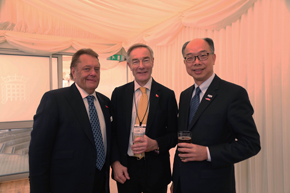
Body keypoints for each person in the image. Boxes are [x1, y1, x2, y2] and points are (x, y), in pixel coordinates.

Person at [171, 38, 261, 193]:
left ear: (213, 58)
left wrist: (207, 153)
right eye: (190, 58)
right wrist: (176, 180)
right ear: (185, 62)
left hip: (214, 185)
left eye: (203, 55)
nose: (196, 62)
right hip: (183, 184)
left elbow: (251, 144)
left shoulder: (233, 94)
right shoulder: (185, 95)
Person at [29, 49, 111, 193]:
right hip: (67, 186)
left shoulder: (105, 103)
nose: (93, 73)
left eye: (96, 69)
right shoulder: (55, 100)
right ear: (74, 72)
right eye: (87, 69)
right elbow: (38, 153)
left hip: (100, 184)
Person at [111, 43, 178, 193]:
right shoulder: (118, 94)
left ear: (153, 62)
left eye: (146, 60)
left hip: (156, 171)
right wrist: (115, 163)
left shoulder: (167, 95)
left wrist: (155, 144)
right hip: (125, 169)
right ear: (129, 65)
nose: (141, 66)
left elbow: (175, 135)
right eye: (135, 61)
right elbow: (112, 133)